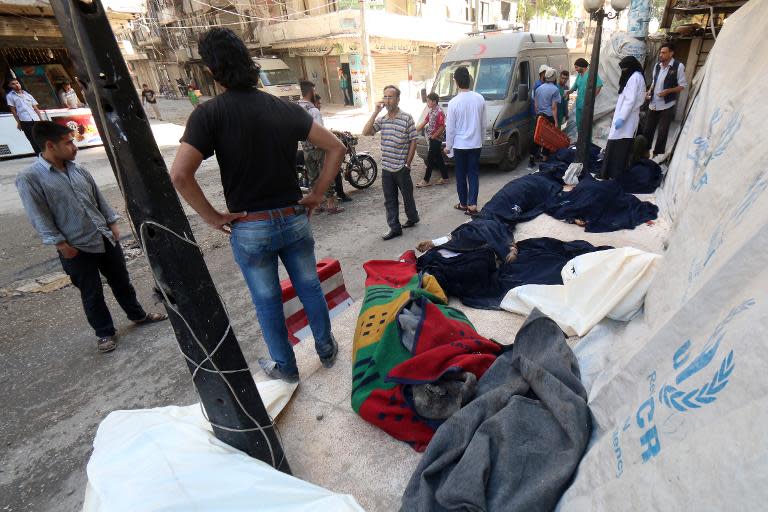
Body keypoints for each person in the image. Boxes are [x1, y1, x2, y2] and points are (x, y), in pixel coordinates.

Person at [170, 28, 346, 383]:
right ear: (250, 64)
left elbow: (180, 176)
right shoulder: (283, 108)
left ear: (211, 70)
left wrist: (214, 217)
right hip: (293, 217)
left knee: (267, 301)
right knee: (310, 288)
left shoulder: (209, 114)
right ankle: (326, 351)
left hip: (250, 226)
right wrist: (315, 194)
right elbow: (336, 148)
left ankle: (286, 368)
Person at [15, 122, 168, 353]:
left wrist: (112, 223)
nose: (74, 147)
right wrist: (61, 244)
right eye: (68, 142)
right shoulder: (30, 178)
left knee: (122, 282)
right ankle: (105, 333)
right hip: (75, 247)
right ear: (50, 145)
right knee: (92, 293)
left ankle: (138, 315)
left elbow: (98, 197)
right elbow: (38, 215)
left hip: (103, 237)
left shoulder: (78, 169)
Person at [362, 85, 419, 240]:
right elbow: (366, 132)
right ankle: (395, 228)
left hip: (401, 167)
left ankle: (412, 218)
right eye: (385, 96)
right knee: (390, 200)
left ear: (398, 99)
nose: (387, 100)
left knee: (408, 197)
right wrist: (375, 112)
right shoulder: (383, 120)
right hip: (387, 167)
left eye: (390, 97)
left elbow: (413, 140)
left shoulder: (406, 118)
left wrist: (408, 163)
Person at [445, 67, 486, 216]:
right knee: (473, 174)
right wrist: (481, 140)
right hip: (475, 144)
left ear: (456, 81)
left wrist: (448, 146)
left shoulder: (453, 102)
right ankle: (472, 205)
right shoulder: (479, 98)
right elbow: (483, 123)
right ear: (469, 80)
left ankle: (463, 203)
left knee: (461, 175)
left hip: (460, 145)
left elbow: (451, 128)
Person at [298, 82, 342, 214]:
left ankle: (316, 206)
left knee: (312, 177)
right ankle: (330, 204)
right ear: (311, 91)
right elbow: (320, 132)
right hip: (318, 148)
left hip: (306, 149)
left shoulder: (297, 107)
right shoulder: (313, 110)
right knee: (325, 174)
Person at [602, 56, 646, 180]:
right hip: (626, 117)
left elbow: (630, 101)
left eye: (625, 69)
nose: (623, 71)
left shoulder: (634, 78)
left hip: (627, 119)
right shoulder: (636, 76)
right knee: (618, 147)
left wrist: (621, 118)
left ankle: (613, 174)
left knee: (618, 149)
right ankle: (611, 173)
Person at [644, 43, 688, 157]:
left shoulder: (678, 66)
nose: (661, 55)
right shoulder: (657, 66)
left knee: (663, 131)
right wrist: (649, 92)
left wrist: (668, 91)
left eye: (664, 53)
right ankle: (645, 152)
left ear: (671, 53)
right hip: (653, 103)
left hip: (667, 104)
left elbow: (682, 86)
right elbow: (654, 82)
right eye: (660, 52)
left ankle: (657, 154)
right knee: (648, 129)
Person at [415, 92, 448, 188]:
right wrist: (412, 131)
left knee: (430, 159)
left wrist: (434, 136)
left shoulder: (439, 112)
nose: (427, 103)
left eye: (429, 101)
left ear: (434, 101)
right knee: (439, 158)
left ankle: (426, 180)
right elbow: (424, 122)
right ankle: (445, 178)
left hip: (436, 139)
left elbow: (442, 127)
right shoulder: (430, 111)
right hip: (431, 138)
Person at [529, 67, 561, 168]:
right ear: (554, 77)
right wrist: (556, 122)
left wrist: (538, 114)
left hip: (539, 116)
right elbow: (554, 107)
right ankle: (544, 160)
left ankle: (531, 159)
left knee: (536, 137)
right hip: (549, 116)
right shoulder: (555, 89)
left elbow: (536, 105)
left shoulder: (538, 88)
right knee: (547, 138)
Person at [569, 58, 603, 142]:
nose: (575, 69)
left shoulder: (591, 74)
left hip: (587, 105)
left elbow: (599, 85)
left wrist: (591, 97)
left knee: (586, 125)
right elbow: (575, 86)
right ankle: (581, 141)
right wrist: (568, 92)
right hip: (579, 104)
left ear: (581, 66)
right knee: (579, 124)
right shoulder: (579, 75)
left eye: (576, 67)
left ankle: (587, 143)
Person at [6, 78, 44, 154]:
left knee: (41, 138)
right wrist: (19, 122)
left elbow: (35, 108)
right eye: (13, 84)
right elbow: (13, 110)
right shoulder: (10, 96)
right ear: (10, 86)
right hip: (25, 120)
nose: (16, 85)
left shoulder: (28, 95)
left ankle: (47, 155)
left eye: (17, 83)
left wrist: (41, 119)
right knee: (32, 139)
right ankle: (40, 156)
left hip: (35, 119)